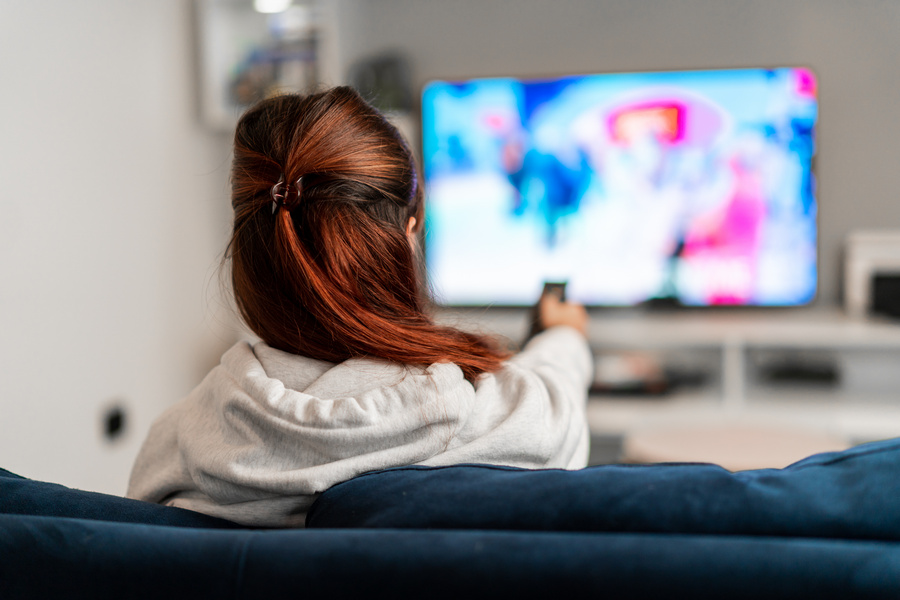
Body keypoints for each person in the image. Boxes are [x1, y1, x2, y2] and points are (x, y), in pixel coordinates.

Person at [127, 87, 593, 527]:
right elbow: (559, 399)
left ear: (249, 252)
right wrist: (564, 334)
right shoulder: (483, 418)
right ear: (408, 235)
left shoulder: (175, 444)